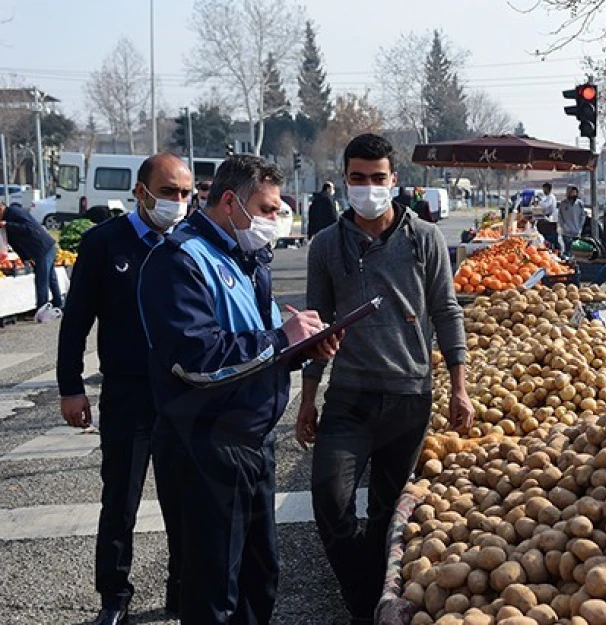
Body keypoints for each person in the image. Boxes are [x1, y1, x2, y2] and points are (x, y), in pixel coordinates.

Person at [138, 154, 337, 624]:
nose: (275, 220)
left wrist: (303, 343)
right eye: (267, 209)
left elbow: (257, 342)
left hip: (252, 440)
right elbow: (197, 360)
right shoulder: (179, 260)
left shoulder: (249, 259)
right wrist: (279, 339)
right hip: (205, 444)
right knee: (213, 590)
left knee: (259, 577)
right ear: (230, 202)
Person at [294, 133, 474, 625]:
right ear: (346, 180)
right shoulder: (327, 245)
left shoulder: (425, 239)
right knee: (329, 503)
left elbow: (446, 310)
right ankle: (363, 600)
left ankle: (372, 606)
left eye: (378, 179)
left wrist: (459, 387)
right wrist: (308, 399)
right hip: (349, 399)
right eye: (358, 179)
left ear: (394, 182)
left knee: (388, 515)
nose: (368, 188)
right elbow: (317, 324)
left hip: (409, 397)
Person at [56, 153, 191, 625]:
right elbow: (75, 322)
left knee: (184, 498)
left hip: (183, 393)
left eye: (185, 193)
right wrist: (70, 387)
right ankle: (114, 596)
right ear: (141, 192)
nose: (177, 202)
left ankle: (182, 589)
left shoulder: (191, 246)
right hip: (128, 393)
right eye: (168, 192)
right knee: (120, 500)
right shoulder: (102, 244)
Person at [0, 199, 64, 322]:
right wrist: (25, 258)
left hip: (41, 248)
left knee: (42, 280)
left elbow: (28, 228)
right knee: (51, 278)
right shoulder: (8, 218)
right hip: (41, 249)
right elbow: (15, 242)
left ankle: (42, 310)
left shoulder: (14, 212)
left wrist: (7, 224)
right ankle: (58, 304)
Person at [557, 185, 586, 258]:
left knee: (575, 251)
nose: (574, 194)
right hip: (566, 232)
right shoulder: (563, 204)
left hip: (576, 231)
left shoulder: (580, 204)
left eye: (575, 192)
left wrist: (580, 228)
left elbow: (582, 216)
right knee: (567, 251)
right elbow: (560, 217)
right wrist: (563, 226)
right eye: (572, 192)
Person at [534, 182, 560, 251]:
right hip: (547, 220)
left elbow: (545, 206)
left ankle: (554, 250)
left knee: (550, 239)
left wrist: (538, 201)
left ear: (549, 189)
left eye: (545, 189)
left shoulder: (551, 197)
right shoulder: (547, 197)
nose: (543, 191)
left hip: (549, 221)